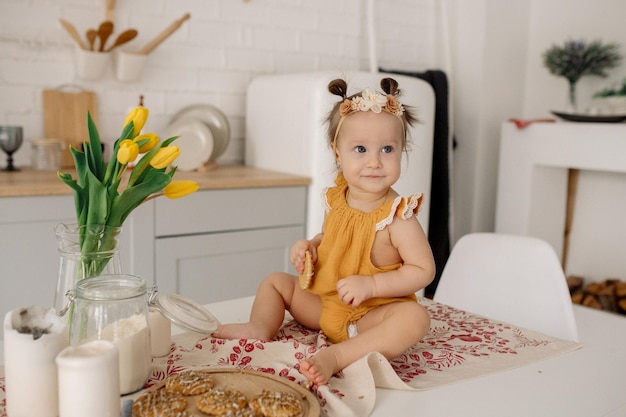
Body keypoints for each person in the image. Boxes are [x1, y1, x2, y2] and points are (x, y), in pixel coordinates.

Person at [214, 77, 435, 386]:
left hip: (369, 318)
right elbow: (329, 241)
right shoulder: (337, 199)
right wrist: (310, 247)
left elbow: (423, 270)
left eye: (387, 149)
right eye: (360, 149)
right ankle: (259, 326)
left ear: (401, 151)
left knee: (415, 319)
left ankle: (338, 357)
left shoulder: (398, 217)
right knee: (275, 282)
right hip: (324, 306)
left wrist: (371, 285)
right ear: (337, 153)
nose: (374, 161)